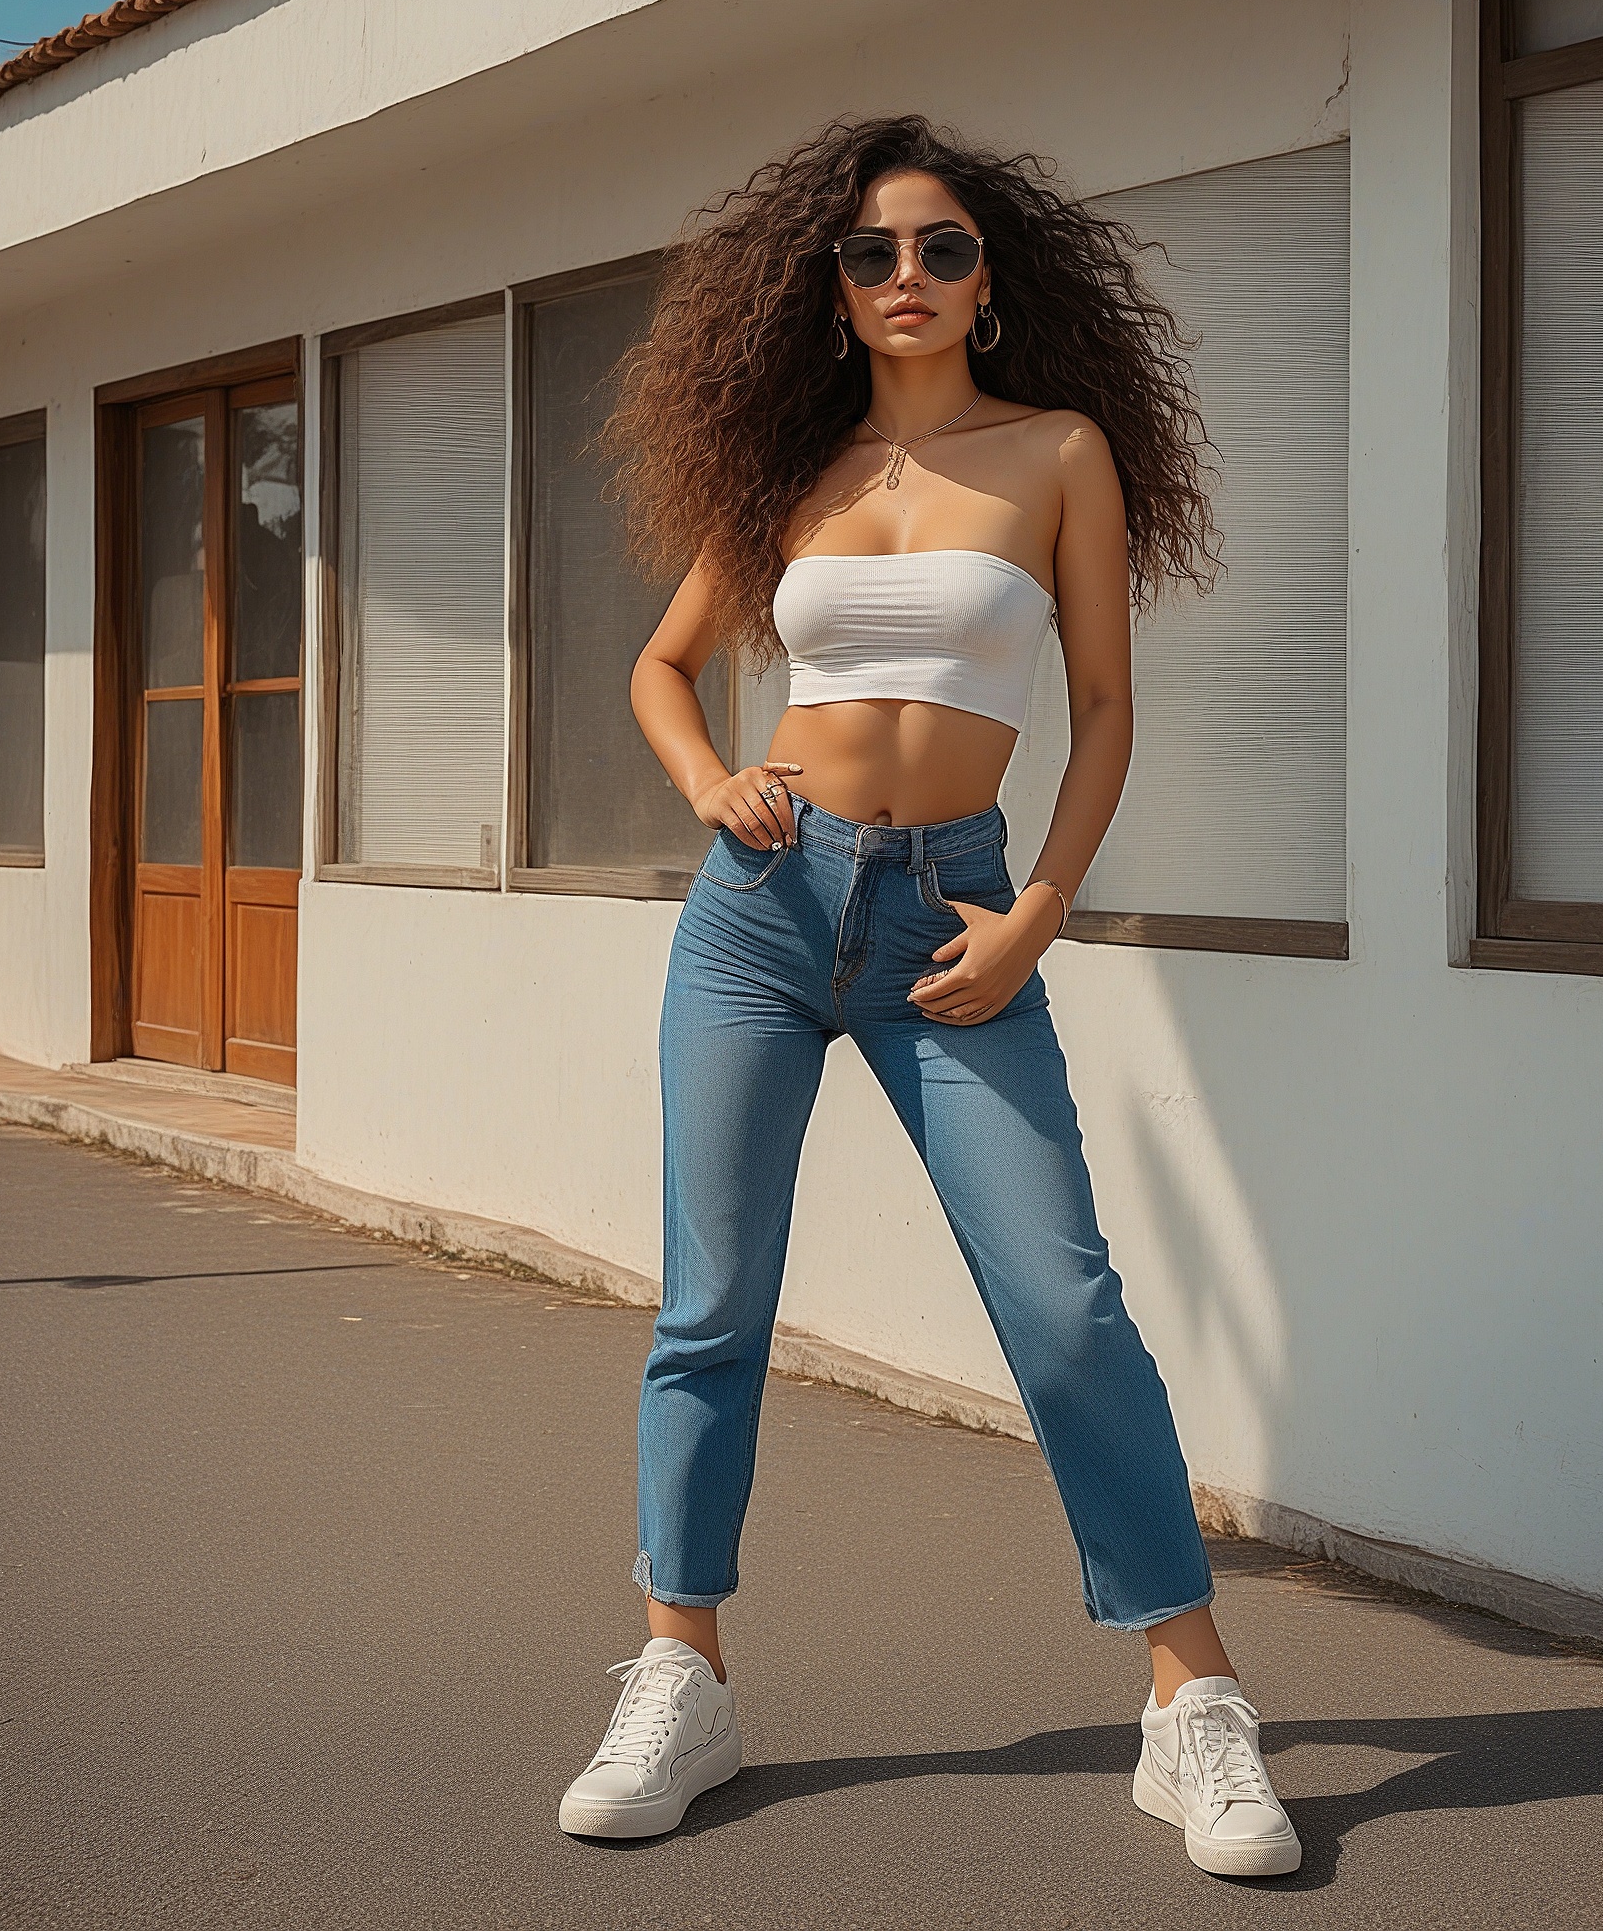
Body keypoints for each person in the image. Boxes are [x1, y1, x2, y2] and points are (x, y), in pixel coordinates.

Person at [556, 114, 1301, 1880]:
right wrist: (706, 788)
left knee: (1062, 1309)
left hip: (954, 916)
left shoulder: (1056, 451)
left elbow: (1105, 709)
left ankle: (1191, 1701)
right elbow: (664, 670)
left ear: (991, 275)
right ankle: (684, 1676)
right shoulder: (789, 473)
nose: (908, 278)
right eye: (873, 253)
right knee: (713, 1306)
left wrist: (1038, 909)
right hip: (757, 909)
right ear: (825, 289)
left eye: (943, 248)